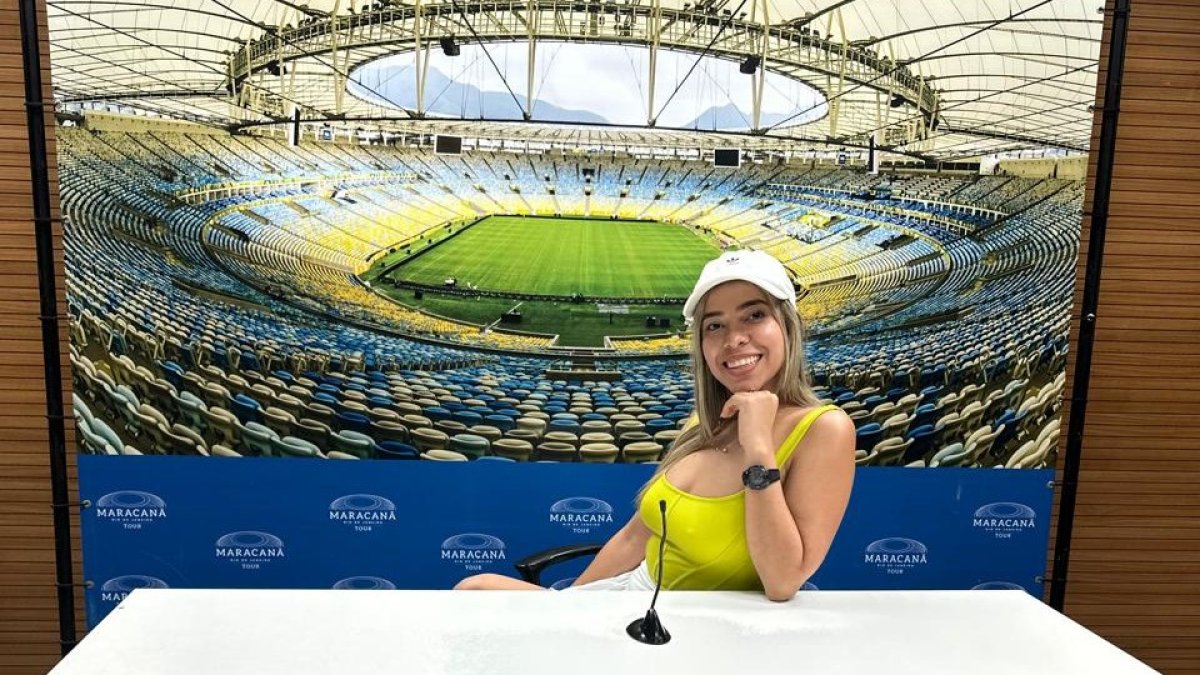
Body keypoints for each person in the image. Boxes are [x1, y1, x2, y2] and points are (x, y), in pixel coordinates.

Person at [455, 250, 856, 601]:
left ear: (787, 326)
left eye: (755, 315)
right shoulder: (705, 421)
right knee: (471, 590)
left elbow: (782, 582)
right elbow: (635, 536)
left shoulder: (824, 429)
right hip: (633, 600)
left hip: (686, 626)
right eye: (714, 325)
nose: (734, 339)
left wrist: (758, 449)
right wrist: (575, 606)